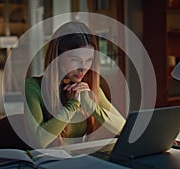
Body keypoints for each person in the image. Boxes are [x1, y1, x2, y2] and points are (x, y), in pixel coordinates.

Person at [24, 21, 125, 149]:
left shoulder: (86, 88)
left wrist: (91, 106)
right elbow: (38, 142)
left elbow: (122, 128)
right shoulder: (33, 86)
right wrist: (71, 107)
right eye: (75, 60)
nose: (83, 69)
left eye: (89, 60)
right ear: (57, 58)